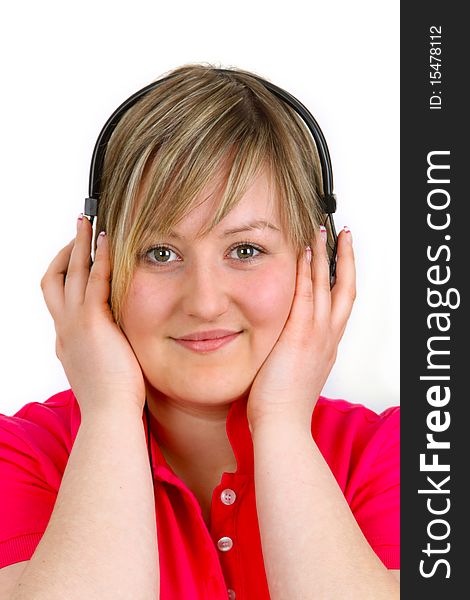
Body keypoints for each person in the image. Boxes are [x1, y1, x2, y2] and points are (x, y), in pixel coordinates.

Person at [0, 63, 399, 599]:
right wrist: (110, 410)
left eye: (246, 250)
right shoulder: (20, 456)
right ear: (97, 267)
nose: (205, 302)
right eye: (160, 254)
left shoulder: (400, 453)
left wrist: (281, 422)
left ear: (320, 265)